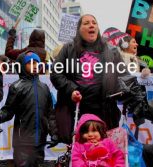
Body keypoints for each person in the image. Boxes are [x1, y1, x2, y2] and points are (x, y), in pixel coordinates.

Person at [50, 14, 127, 144]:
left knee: (104, 149)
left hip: (104, 110)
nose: (91, 25)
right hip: (77, 109)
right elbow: (56, 74)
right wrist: (71, 90)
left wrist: (122, 91)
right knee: (80, 148)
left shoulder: (111, 50)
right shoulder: (69, 48)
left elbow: (124, 76)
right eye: (86, 23)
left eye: (94, 23)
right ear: (79, 29)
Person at [0, 52, 58, 167]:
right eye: (30, 63)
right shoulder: (16, 87)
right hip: (22, 142)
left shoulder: (44, 88)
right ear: (22, 65)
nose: (34, 66)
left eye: (36, 63)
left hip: (40, 141)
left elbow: (50, 114)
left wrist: (54, 133)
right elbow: (8, 111)